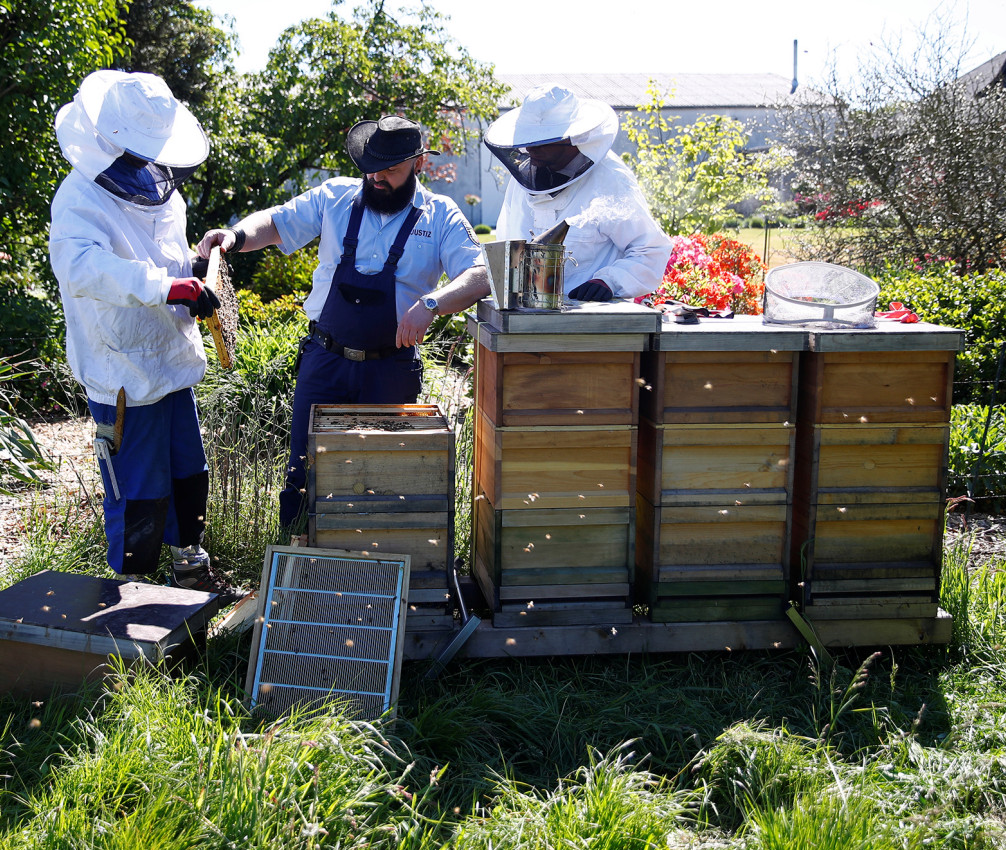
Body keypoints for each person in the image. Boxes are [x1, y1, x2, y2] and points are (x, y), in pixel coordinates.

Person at [197, 115, 491, 530]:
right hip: (324, 362)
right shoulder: (334, 197)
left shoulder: (441, 215)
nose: (377, 177)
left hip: (392, 369)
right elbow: (277, 222)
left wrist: (432, 302)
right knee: (304, 474)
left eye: (391, 169)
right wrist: (235, 236)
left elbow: (481, 275)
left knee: (385, 479)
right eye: (372, 166)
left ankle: (375, 576)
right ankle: (299, 566)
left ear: (419, 165)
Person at [49, 70, 227, 592]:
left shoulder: (162, 192)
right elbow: (82, 268)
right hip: (122, 365)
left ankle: (191, 570)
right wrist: (168, 289)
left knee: (187, 475)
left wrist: (193, 272)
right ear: (109, 137)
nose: (144, 161)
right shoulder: (79, 197)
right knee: (139, 489)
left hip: (172, 358)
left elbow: (167, 257)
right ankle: (133, 597)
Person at [483, 84, 671, 302]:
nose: (531, 150)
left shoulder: (610, 178)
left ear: (571, 137)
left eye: (542, 141)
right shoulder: (522, 180)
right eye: (527, 140)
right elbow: (506, 245)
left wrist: (610, 281)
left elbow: (650, 249)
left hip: (592, 323)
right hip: (526, 317)